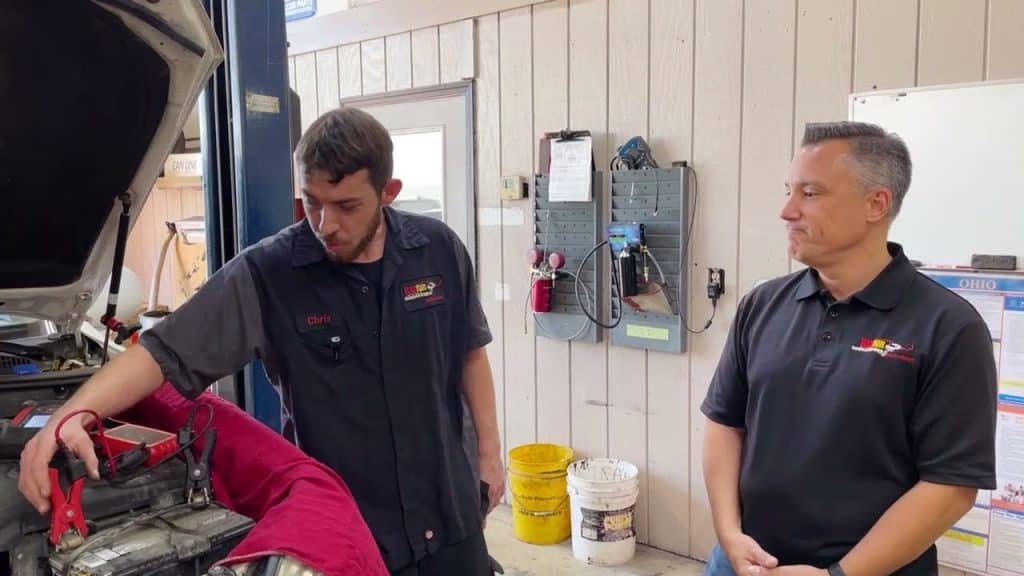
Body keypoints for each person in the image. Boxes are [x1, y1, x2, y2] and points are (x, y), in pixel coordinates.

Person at [19, 107, 506, 576]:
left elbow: (470, 354)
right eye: (311, 202)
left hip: (451, 518)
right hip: (346, 538)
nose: (325, 225)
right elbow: (160, 354)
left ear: (389, 192)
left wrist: (488, 457)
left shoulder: (438, 250)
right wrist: (66, 417)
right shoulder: (269, 275)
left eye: (346, 206)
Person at [700, 121, 997, 576]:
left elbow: (951, 486)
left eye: (810, 193)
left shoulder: (949, 327)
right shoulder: (761, 305)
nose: (786, 210)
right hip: (744, 564)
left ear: (876, 203)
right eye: (788, 191)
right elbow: (724, 423)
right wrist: (729, 536)